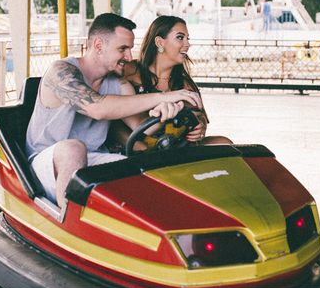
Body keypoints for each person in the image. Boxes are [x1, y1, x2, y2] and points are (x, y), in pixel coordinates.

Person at [27, 13, 200, 208]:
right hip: (47, 163)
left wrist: (165, 111)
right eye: (123, 49)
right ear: (99, 46)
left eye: (130, 49)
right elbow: (97, 108)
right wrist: (163, 96)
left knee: (137, 174)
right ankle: (70, 229)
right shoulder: (61, 71)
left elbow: (143, 128)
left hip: (93, 158)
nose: (129, 57)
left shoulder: (118, 83)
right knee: (73, 148)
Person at [116, 16, 232, 147]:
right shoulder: (129, 71)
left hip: (176, 148)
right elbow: (111, 120)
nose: (187, 44)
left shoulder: (184, 83)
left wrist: (201, 125)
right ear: (159, 42)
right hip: (136, 150)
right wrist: (137, 147)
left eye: (187, 39)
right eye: (180, 37)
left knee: (224, 143)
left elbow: (200, 115)